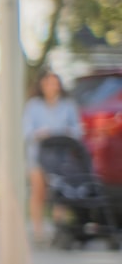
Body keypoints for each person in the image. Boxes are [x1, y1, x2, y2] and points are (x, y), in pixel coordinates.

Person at [23, 70, 83, 241]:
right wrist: (39, 133)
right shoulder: (33, 106)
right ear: (42, 85)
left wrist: (66, 133)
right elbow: (26, 131)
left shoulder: (68, 105)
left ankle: (59, 230)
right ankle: (38, 231)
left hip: (60, 157)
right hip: (38, 156)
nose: (51, 87)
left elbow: (78, 130)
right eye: (48, 83)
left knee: (60, 192)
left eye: (54, 83)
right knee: (38, 191)